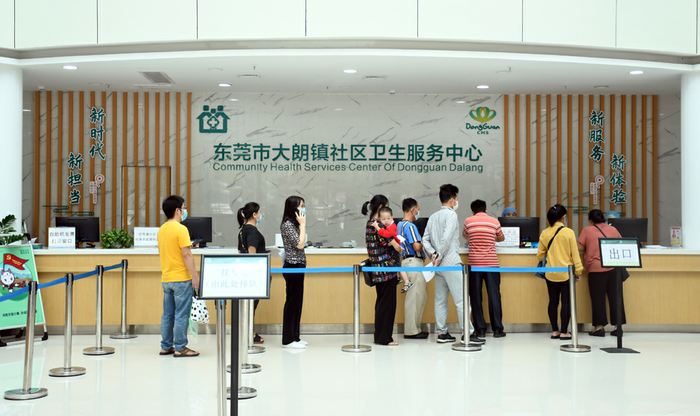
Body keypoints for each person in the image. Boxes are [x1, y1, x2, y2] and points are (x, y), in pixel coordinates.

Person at [422, 184, 484, 345]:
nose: (457, 201)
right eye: (456, 198)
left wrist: (434, 255)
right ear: (452, 200)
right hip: (450, 263)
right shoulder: (451, 215)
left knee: (440, 300)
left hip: (438, 266)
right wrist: (439, 255)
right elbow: (447, 238)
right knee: (462, 300)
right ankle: (468, 333)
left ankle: (442, 333)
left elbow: (424, 240)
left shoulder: (433, 216)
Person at [157, 195, 200, 357]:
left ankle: (166, 346)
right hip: (181, 279)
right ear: (177, 210)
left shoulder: (162, 229)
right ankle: (180, 347)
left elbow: (170, 250)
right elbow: (187, 255)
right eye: (183, 208)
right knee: (181, 314)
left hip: (167, 278)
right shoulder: (181, 229)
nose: (185, 211)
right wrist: (195, 276)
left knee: (168, 315)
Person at [537, 204, 584, 341]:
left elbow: (540, 256)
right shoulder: (569, 232)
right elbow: (575, 254)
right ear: (563, 218)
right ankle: (564, 332)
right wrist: (578, 271)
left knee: (553, 302)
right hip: (566, 274)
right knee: (566, 302)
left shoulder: (545, 233)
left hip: (550, 272)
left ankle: (554, 331)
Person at [577, 209, 626, 337]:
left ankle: (599, 328)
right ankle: (618, 327)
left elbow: (579, 247)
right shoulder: (613, 229)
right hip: (614, 267)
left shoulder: (587, 230)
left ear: (591, 221)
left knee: (598, 298)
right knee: (616, 298)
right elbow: (621, 243)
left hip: (596, 268)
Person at [463, 199, 506, 338]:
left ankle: (480, 329)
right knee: (494, 296)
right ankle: (497, 329)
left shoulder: (468, 221)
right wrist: (492, 238)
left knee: (476, 297)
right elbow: (501, 238)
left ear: (472, 211)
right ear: (486, 210)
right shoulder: (494, 222)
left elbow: (466, 236)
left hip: (474, 264)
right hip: (491, 264)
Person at [362, 195, 399, 346]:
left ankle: (381, 336)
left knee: (382, 303)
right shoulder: (378, 225)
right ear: (380, 208)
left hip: (378, 270)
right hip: (386, 270)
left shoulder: (370, 223)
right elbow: (392, 243)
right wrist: (398, 245)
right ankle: (384, 338)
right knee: (387, 305)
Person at [397, 198, 429, 339]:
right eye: (418, 209)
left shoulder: (399, 225)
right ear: (412, 209)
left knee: (416, 296)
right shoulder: (410, 226)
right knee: (415, 297)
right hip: (414, 263)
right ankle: (412, 331)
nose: (418, 212)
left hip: (406, 263)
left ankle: (415, 328)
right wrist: (426, 244)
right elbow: (416, 246)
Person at [280, 196, 308, 349]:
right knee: (292, 302)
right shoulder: (287, 225)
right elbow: (300, 244)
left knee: (297, 302)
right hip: (292, 266)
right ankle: (288, 339)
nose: (303, 209)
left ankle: (295, 337)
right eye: (300, 206)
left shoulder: (294, 225)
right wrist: (303, 225)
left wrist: (301, 225)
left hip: (299, 265)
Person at [237, 202, 267, 344]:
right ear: (254, 215)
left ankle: (247, 330)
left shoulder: (242, 230)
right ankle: (249, 332)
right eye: (259, 212)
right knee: (251, 305)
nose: (260, 215)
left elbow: (240, 251)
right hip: (254, 273)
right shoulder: (253, 231)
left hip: (244, 271)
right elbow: (251, 252)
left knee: (248, 304)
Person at [372, 206, 413, 293]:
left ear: (392, 218)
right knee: (394, 264)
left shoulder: (392, 226)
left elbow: (385, 234)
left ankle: (407, 282)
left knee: (398, 266)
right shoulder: (387, 226)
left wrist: (376, 227)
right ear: (379, 219)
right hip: (391, 249)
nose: (386, 221)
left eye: (388, 218)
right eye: (383, 219)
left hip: (394, 249)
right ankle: (397, 278)